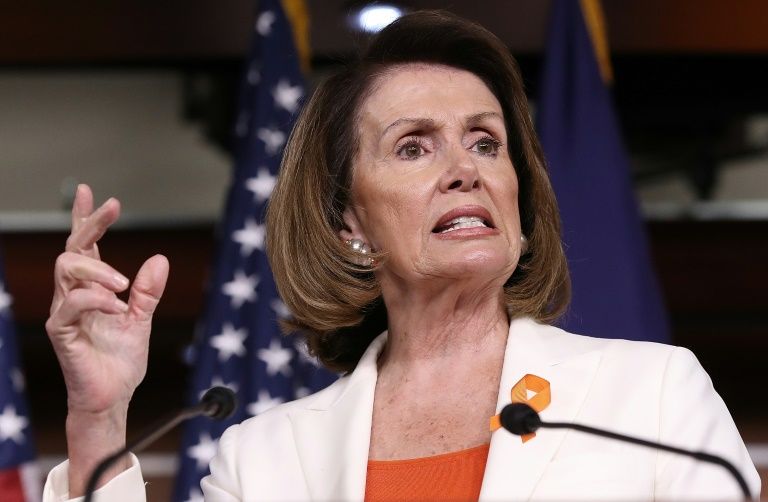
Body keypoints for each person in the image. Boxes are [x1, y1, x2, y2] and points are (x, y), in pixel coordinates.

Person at [43, 10, 759, 502]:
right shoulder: (264, 461)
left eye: (486, 142)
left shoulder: (652, 396)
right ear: (349, 221)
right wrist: (97, 419)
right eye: (413, 145)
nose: (464, 168)